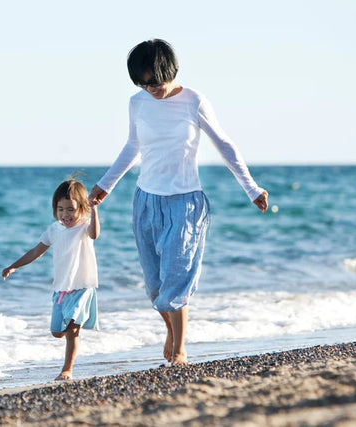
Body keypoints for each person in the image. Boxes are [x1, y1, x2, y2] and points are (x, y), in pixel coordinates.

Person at [89, 39, 268, 367]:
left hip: (185, 203)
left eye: (154, 81)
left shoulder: (193, 101)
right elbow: (133, 146)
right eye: (142, 83)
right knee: (156, 288)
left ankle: (180, 351)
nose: (149, 88)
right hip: (145, 201)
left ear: (169, 71)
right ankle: (172, 330)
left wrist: (251, 188)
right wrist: (106, 185)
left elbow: (224, 144)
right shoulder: (138, 103)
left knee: (177, 279)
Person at [2, 178, 100, 381]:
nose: (65, 214)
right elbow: (36, 251)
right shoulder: (54, 230)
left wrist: (95, 211)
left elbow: (95, 234)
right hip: (61, 289)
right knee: (57, 332)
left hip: (82, 287)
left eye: (71, 209)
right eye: (60, 209)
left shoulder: (84, 226)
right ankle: (67, 345)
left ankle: (67, 370)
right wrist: (14, 266)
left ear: (82, 208)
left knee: (72, 329)